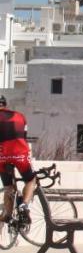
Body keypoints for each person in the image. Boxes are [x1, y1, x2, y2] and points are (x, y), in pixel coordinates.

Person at [0, 96, 37, 227]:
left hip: (1, 157)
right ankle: (24, 205)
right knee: (31, 180)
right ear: (5, 104)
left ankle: (7, 215)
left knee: (8, 187)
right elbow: (24, 137)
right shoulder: (20, 116)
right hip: (20, 154)